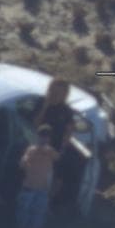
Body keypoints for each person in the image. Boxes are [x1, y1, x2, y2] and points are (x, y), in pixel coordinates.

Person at [15, 124, 59, 228]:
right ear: (38, 137)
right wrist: (29, 158)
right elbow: (22, 163)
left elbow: (57, 157)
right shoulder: (31, 150)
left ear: (49, 139)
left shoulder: (50, 152)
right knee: (22, 222)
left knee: (36, 224)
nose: (43, 140)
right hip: (28, 190)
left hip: (42, 192)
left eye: (46, 138)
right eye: (41, 137)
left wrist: (46, 151)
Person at [33, 78, 77, 206]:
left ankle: (47, 202)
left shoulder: (66, 111)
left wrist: (63, 148)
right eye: (52, 91)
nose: (55, 96)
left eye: (59, 93)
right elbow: (34, 124)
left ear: (65, 95)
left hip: (55, 150)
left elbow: (69, 130)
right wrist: (45, 107)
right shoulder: (41, 103)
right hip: (37, 146)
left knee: (57, 177)